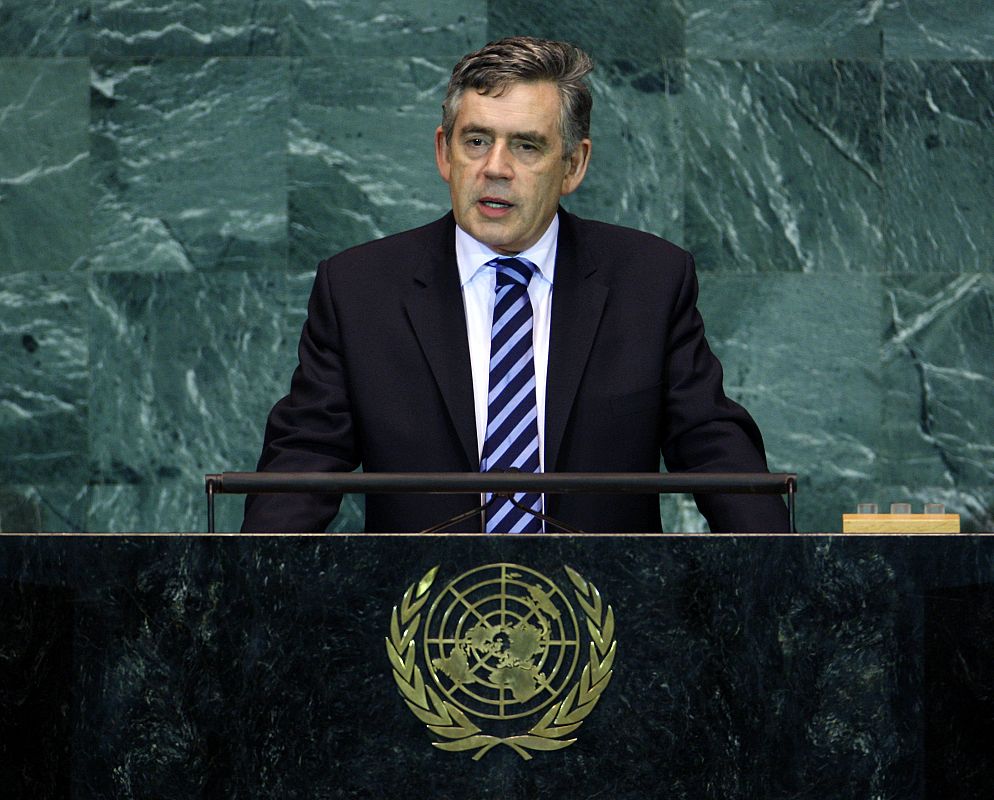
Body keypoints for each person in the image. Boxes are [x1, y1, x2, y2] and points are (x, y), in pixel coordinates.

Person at [242, 36, 790, 534]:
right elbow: (303, 465)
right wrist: (243, 591)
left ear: (574, 164)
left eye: (526, 146)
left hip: (606, 620)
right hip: (420, 625)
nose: (495, 168)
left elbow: (714, 450)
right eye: (476, 141)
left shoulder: (649, 280)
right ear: (443, 153)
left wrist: (784, 573)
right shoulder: (360, 289)